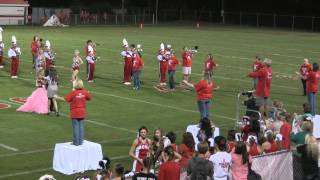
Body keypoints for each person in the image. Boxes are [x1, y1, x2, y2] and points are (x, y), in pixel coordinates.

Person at [55, 79, 92, 145]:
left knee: (76, 127)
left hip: (75, 112)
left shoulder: (73, 93)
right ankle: (80, 141)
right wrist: (87, 93)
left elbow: (65, 99)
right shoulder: (85, 92)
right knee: (81, 127)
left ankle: (76, 142)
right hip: (82, 112)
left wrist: (57, 97)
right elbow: (89, 98)